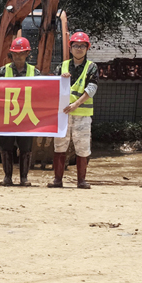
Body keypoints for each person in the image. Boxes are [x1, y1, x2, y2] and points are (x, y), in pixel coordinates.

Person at [49, 31, 97, 189]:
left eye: (82, 46)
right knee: (59, 146)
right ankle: (57, 180)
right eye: (76, 46)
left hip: (82, 115)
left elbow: (92, 88)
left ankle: (81, 181)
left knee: (82, 148)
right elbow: (52, 86)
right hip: (63, 115)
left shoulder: (91, 67)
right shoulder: (62, 66)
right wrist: (60, 79)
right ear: (70, 48)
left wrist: (76, 104)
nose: (79, 49)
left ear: (87, 48)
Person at [0, 37, 40, 187]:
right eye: (15, 53)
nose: (18, 56)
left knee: (25, 148)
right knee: (6, 147)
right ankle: (7, 177)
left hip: (26, 116)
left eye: (21, 53)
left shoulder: (35, 72)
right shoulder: (3, 71)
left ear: (27, 53)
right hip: (7, 115)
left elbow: (41, 94)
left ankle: (24, 178)